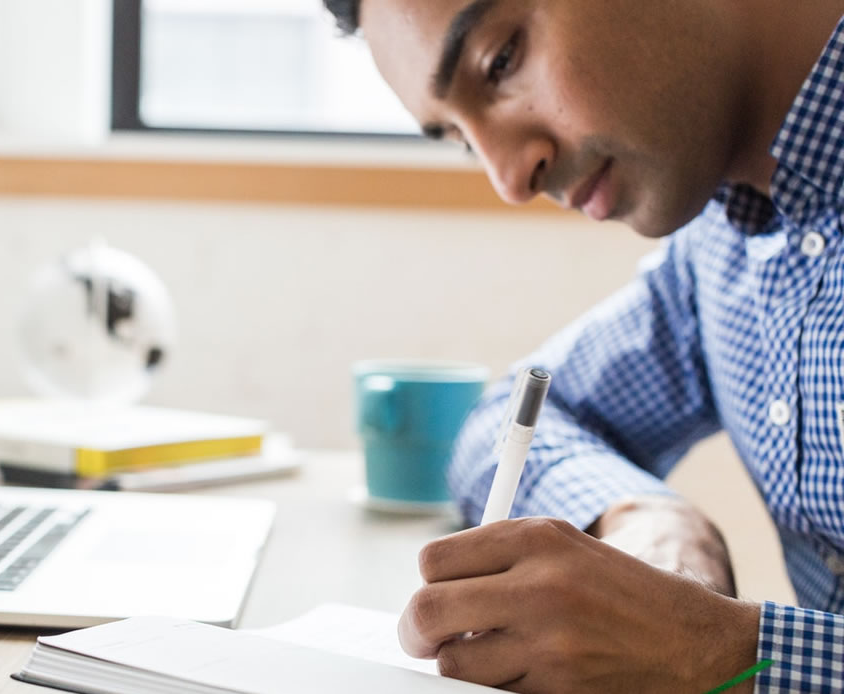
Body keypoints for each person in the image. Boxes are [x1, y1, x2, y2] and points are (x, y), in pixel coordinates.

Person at [322, 0, 844, 691]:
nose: (509, 180)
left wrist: (719, 650)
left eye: (500, 60)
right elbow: (506, 419)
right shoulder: (719, 248)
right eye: (458, 137)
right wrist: (651, 523)